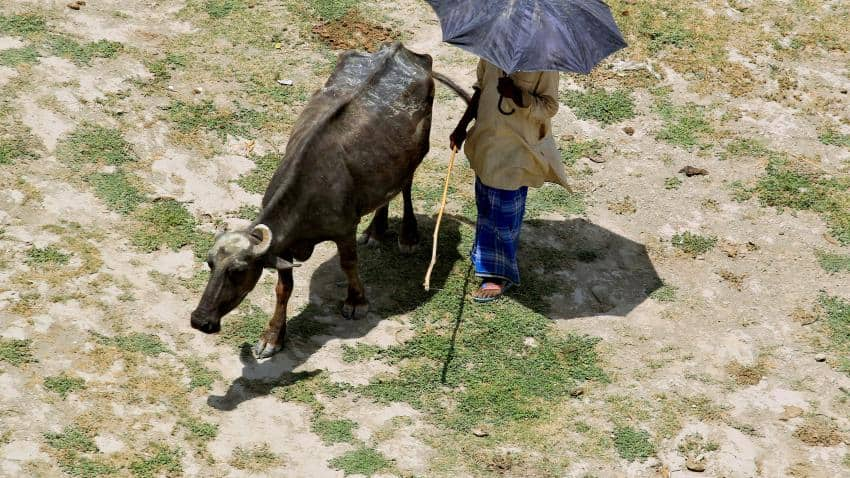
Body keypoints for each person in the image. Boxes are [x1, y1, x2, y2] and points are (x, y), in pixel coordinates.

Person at [450, 58, 569, 302]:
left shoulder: (544, 64)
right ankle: (484, 256)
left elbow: (549, 107)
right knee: (486, 206)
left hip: (518, 148)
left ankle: (497, 274)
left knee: (504, 212)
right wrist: (462, 126)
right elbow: (480, 90)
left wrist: (518, 96)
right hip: (487, 144)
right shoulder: (491, 55)